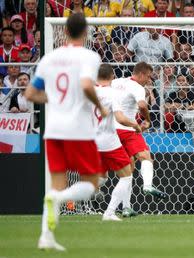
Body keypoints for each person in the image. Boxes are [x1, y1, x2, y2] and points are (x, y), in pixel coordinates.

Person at [24, 13, 107, 251]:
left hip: (53, 130)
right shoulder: (89, 56)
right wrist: (99, 105)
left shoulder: (49, 59)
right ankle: (57, 200)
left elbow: (30, 94)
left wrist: (52, 99)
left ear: (65, 31)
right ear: (85, 32)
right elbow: (84, 85)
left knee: (56, 184)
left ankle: (46, 237)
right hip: (79, 130)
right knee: (92, 183)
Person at [111, 62, 168, 213]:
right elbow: (142, 106)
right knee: (145, 156)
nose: (149, 80)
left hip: (110, 130)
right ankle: (148, 185)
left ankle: (126, 207)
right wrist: (148, 120)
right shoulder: (137, 87)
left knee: (127, 171)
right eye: (148, 77)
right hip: (128, 129)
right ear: (141, 74)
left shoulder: (117, 82)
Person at [94, 64, 142, 221]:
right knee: (126, 176)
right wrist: (135, 124)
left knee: (102, 177)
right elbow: (120, 118)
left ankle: (77, 193)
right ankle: (109, 212)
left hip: (91, 141)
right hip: (108, 141)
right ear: (112, 76)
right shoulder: (112, 93)